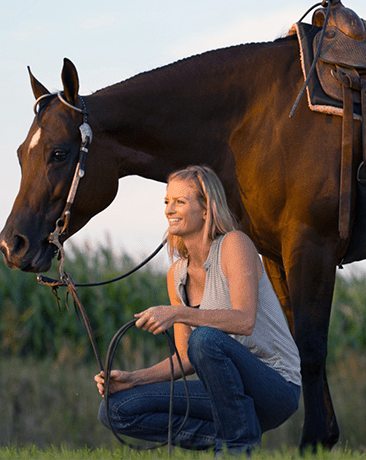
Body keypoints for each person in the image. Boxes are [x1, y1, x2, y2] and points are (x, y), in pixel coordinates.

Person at [94, 165, 301, 455]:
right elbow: (185, 358)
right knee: (115, 410)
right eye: (166, 201)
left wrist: (177, 313)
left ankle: (237, 447)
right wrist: (134, 378)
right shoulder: (176, 275)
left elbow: (244, 321)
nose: (169, 209)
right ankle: (233, 440)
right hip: (226, 392)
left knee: (204, 338)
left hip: (275, 388)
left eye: (180, 201)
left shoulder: (234, 244)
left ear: (207, 209)